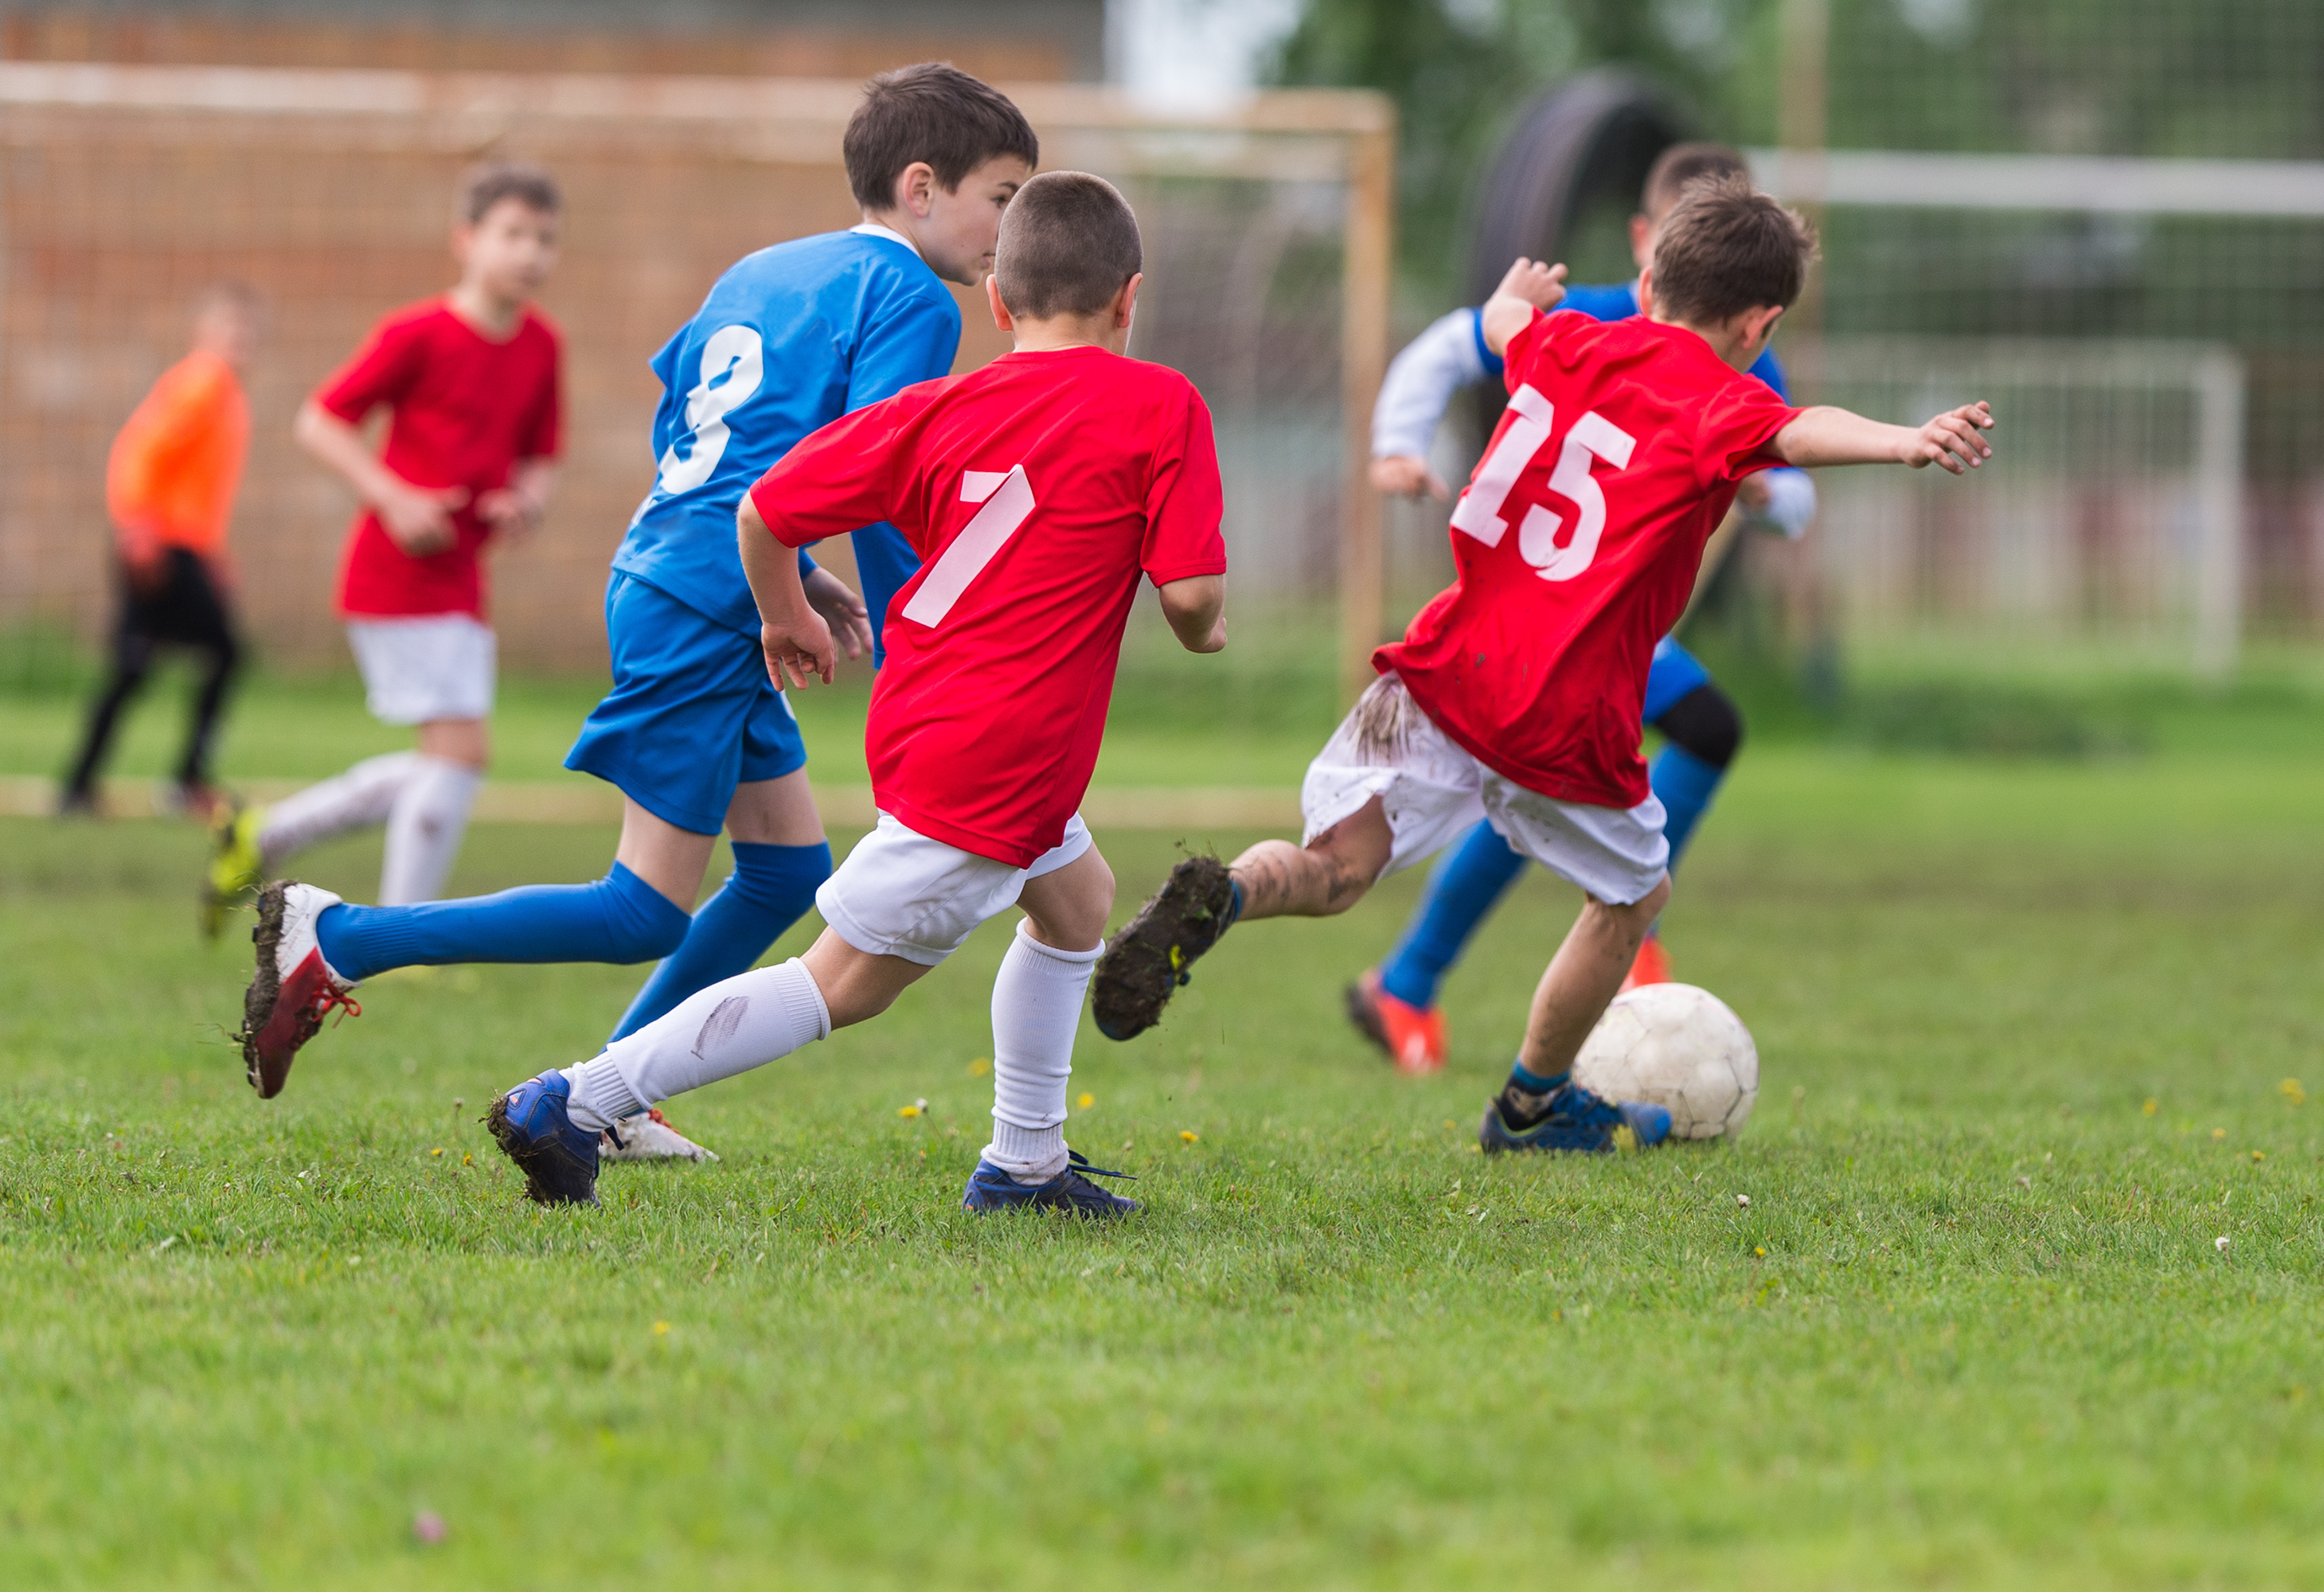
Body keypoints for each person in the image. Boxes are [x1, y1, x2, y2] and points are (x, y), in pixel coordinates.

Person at [1093, 180, 1994, 1156]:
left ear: (1648, 282)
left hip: (1441, 667)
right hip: (1560, 709)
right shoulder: (1723, 399)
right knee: (1633, 897)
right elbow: (1795, 430)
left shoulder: (1564, 342)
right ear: (1760, 321)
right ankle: (1532, 1103)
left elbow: (1506, 321)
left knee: (1335, 869)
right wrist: (1904, 440)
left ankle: (1224, 892)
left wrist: (1511, 295)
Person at [232, 67, 1040, 1145]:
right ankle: (344, 936)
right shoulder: (911, 299)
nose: (1011, 226)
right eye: (1003, 195)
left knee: (786, 872)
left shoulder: (765, 269)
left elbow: (687, 424)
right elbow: (883, 482)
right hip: (709, 605)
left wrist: (789, 576)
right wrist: (918, 654)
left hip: (687, 577)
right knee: (640, 911)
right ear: (924, 187)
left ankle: (613, 1099)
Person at [480, 170, 1228, 1213]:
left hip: (935, 718)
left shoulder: (934, 407)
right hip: (1002, 747)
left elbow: (766, 509)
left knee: (1077, 901)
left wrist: (783, 611)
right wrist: (1209, 624)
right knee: (844, 985)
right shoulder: (1161, 403)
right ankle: (574, 1099)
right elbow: (1191, 599)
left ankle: (1026, 1163)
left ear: (999, 304)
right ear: (1130, 298)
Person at [1349, 142, 1813, 1073]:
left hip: (1614, 632)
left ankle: (1419, 975)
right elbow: (1451, 343)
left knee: (1599, 766)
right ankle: (1526, 949)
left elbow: (1797, 489)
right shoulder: (1594, 314)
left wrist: (1764, 495)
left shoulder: (1745, 360)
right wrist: (1398, 443)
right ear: (1650, 240)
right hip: (1544, 620)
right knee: (1619, 757)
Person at [202, 163, 564, 928]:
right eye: (512, 234)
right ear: (466, 241)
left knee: (448, 760)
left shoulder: (541, 345)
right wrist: (395, 498)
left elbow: (542, 454)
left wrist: (524, 502)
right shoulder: (417, 333)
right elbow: (320, 420)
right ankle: (399, 931)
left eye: (544, 239)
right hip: (394, 574)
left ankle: (266, 833)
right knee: (460, 755)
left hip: (463, 576)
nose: (529, 252)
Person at [61, 283, 262, 828]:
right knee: (222, 654)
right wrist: (137, 528)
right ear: (205, 333)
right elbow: (139, 452)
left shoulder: (223, 392)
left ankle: (79, 786)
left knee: (137, 668)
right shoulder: (204, 381)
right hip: (161, 546)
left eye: (247, 332)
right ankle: (185, 782)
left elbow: (195, 486)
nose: (240, 341)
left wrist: (215, 554)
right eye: (230, 329)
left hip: (182, 546)